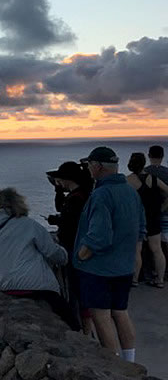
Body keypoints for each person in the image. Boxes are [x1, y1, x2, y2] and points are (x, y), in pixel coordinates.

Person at [75, 147, 146, 362]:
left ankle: (114, 367)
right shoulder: (131, 192)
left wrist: (81, 255)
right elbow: (141, 228)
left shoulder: (102, 194)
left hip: (99, 270)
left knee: (101, 317)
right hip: (124, 267)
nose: (88, 168)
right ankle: (130, 363)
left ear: (97, 167)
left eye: (89, 165)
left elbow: (99, 236)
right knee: (121, 313)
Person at [0, 187, 79, 331]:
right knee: (68, 319)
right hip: (36, 286)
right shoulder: (29, 225)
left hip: (6, 285)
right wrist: (65, 256)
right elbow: (52, 252)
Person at [45, 161, 93, 333]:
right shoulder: (82, 194)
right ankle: (83, 328)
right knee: (78, 290)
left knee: (76, 291)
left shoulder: (76, 199)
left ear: (66, 178)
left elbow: (69, 221)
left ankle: (81, 329)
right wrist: (58, 190)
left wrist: (57, 220)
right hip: (77, 246)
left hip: (74, 248)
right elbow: (63, 210)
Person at [126, 152, 168, 287]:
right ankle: (160, 280)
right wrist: (163, 207)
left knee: (136, 250)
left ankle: (135, 279)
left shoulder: (127, 181)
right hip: (153, 217)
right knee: (157, 249)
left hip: (136, 219)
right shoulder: (153, 179)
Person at [145, 145, 168, 276]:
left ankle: (154, 271)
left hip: (150, 213)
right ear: (162, 156)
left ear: (149, 155)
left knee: (152, 246)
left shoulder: (145, 172)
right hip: (166, 212)